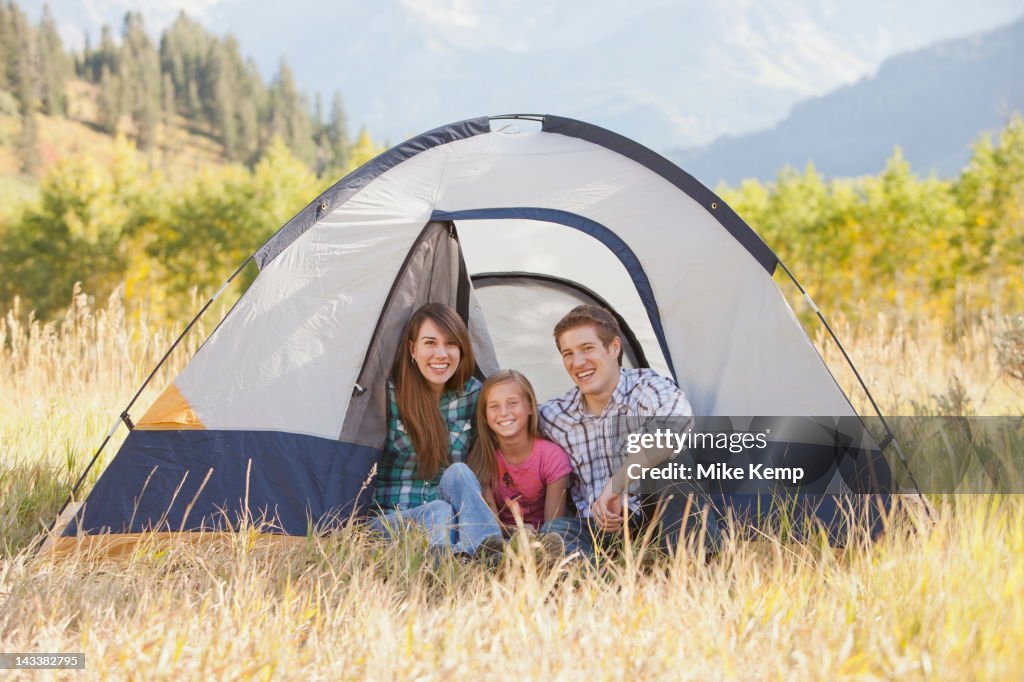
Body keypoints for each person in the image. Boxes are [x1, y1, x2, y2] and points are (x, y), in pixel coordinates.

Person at [538, 304, 721, 560]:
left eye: (587, 348)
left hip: (655, 516)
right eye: (568, 353)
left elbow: (675, 430)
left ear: (614, 347)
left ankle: (690, 561)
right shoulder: (554, 416)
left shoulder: (648, 388)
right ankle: (598, 573)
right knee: (555, 531)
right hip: (596, 529)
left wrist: (616, 485)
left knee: (673, 462)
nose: (577, 362)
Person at [370, 303, 503, 557]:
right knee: (438, 509)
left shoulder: (472, 394)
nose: (441, 353)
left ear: (462, 349)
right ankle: (449, 561)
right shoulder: (387, 395)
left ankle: (484, 549)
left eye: (451, 344)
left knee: (459, 472)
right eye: (430, 343)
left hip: (450, 525)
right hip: (391, 520)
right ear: (413, 349)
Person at [469, 369, 572, 533]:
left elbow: (554, 526)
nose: (503, 412)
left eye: (512, 403)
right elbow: (493, 528)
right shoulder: (483, 458)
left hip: (543, 539)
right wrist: (515, 533)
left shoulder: (552, 457)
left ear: (530, 407)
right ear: (484, 416)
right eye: (494, 406)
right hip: (504, 539)